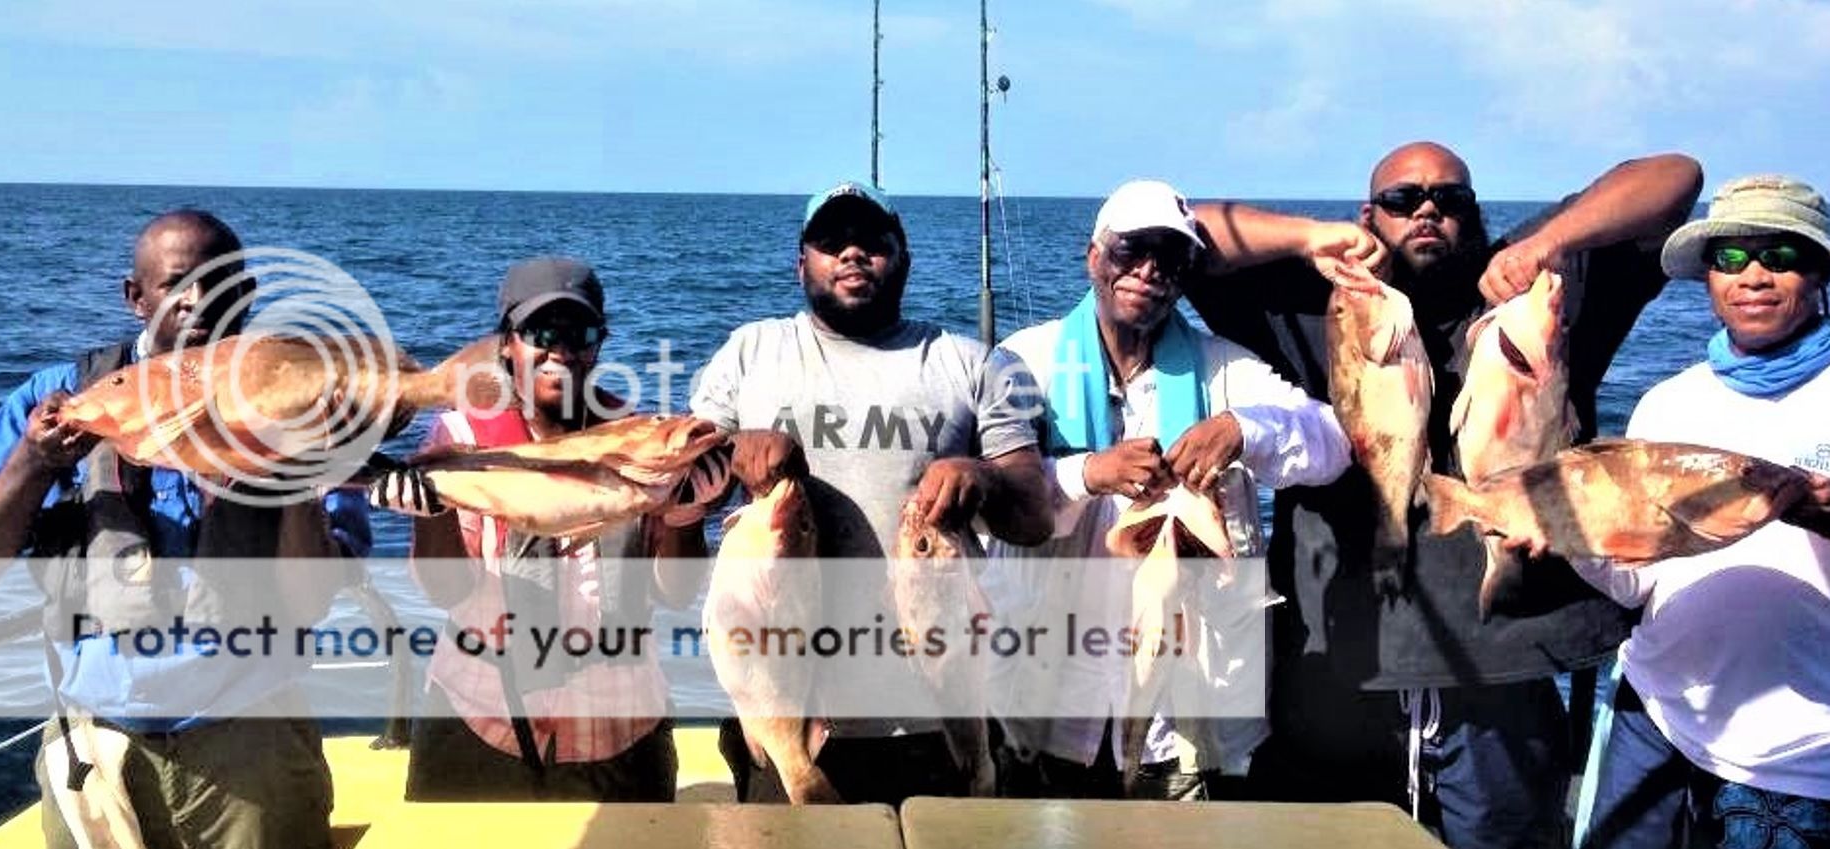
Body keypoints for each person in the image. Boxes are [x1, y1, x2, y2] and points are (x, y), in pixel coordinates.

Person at [1184, 143, 1703, 848]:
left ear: (1474, 212)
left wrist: (1547, 243)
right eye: (1401, 200)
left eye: (1449, 199)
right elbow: (1184, 233)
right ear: (1368, 215)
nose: (1426, 210)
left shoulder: (1534, 283)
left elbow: (1675, 179)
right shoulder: (1320, 293)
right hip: (1340, 664)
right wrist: (1310, 236)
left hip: (1506, 659)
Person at [0, 209, 368, 849]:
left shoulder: (304, 400)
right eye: (176, 283)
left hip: (253, 741)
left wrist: (297, 467)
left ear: (248, 296)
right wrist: (34, 460)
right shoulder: (61, 398)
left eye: (223, 282)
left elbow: (312, 598)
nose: (199, 299)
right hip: (95, 743)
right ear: (135, 297)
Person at [981, 179, 1351, 799]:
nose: (1149, 270)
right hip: (1045, 699)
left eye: (1171, 258)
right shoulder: (1021, 360)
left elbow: (1334, 442)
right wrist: (1084, 474)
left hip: (1184, 715)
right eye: (1131, 249)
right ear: (1094, 256)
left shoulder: (1225, 367)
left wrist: (1243, 429)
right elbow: (987, 493)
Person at [689, 180, 1053, 805]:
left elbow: (1034, 516)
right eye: (832, 241)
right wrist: (729, 451)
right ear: (800, 263)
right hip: (786, 706)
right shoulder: (750, 352)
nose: (852, 253)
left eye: (872, 241)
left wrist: (983, 476)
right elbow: (683, 497)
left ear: (904, 259)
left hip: (933, 717)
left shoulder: (972, 362)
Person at [373, 257, 723, 802]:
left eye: (579, 333)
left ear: (599, 345)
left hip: (622, 729)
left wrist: (688, 513)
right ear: (506, 344)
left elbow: (674, 593)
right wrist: (431, 513)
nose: (560, 350)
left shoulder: (641, 439)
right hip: (478, 720)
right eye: (540, 333)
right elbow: (449, 591)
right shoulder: (460, 437)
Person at [1576, 175, 1830, 849]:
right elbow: (1635, 577)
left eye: (1780, 255)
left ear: (1818, 271)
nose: (1753, 275)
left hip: (1799, 753)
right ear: (1708, 278)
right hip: (1654, 711)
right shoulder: (1667, 401)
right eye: (1730, 257)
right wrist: (1571, 535)